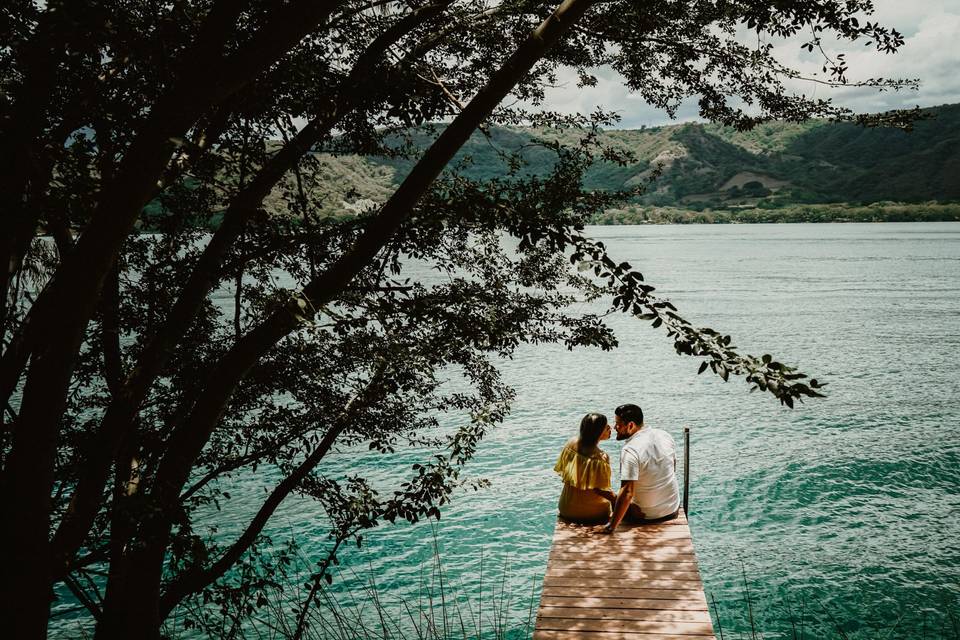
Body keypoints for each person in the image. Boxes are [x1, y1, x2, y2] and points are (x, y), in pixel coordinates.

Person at [604, 403, 680, 533]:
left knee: (610, 495)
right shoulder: (664, 435)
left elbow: (628, 492)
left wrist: (611, 526)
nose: (615, 427)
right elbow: (672, 468)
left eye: (618, 424)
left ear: (631, 425)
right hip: (672, 509)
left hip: (646, 516)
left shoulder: (630, 450)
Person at [553, 413, 616, 523]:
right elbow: (601, 490)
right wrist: (617, 499)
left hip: (565, 508)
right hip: (590, 513)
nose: (610, 428)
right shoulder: (600, 457)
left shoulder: (570, 444)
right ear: (598, 432)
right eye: (606, 427)